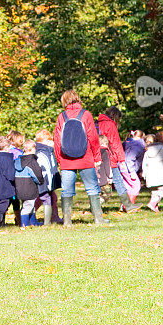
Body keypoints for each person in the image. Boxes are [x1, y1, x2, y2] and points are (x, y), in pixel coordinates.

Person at [53, 89, 107, 225]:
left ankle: (67, 221)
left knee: (67, 191)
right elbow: (93, 138)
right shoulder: (86, 115)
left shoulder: (62, 116)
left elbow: (57, 141)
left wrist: (60, 159)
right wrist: (97, 157)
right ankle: (98, 219)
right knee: (92, 188)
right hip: (86, 157)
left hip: (66, 160)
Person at [97, 106, 142, 213]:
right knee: (118, 181)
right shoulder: (110, 124)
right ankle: (127, 205)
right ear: (115, 116)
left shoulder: (98, 123)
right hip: (110, 157)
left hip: (99, 156)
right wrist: (121, 159)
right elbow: (115, 143)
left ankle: (95, 206)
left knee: (100, 183)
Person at [16, 140, 49, 227]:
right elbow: (37, 174)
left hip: (19, 187)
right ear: (32, 149)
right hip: (29, 186)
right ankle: (24, 224)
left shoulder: (17, 161)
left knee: (29, 205)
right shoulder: (32, 161)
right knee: (28, 206)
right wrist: (41, 181)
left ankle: (33, 222)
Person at [142, 131, 163, 212]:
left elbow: (144, 163)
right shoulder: (162, 149)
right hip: (159, 174)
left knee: (154, 191)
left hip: (149, 175)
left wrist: (144, 174)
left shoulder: (148, 150)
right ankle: (152, 203)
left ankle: (154, 207)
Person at [34, 129, 62, 224]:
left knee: (53, 198)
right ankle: (33, 216)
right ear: (45, 141)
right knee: (43, 198)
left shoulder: (46, 151)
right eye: (50, 140)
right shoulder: (42, 152)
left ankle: (54, 217)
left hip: (47, 180)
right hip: (44, 180)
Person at [122, 129, 146, 203]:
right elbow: (129, 158)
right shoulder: (138, 145)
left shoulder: (128, 143)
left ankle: (124, 206)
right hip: (128, 168)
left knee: (128, 187)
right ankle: (130, 205)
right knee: (136, 186)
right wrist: (132, 172)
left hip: (122, 167)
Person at [96, 134, 113, 203]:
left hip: (96, 176)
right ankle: (99, 203)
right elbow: (107, 165)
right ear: (105, 143)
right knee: (107, 193)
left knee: (97, 192)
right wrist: (109, 176)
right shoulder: (105, 152)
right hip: (103, 177)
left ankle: (96, 204)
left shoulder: (95, 152)